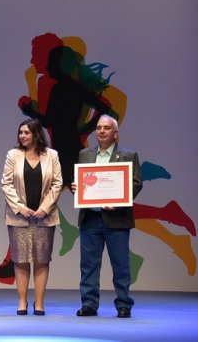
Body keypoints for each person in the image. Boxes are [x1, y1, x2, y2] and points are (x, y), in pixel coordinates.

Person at [73, 115, 142, 318]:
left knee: (121, 265)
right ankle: (89, 304)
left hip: (117, 218)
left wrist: (119, 201)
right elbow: (84, 181)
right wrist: (78, 186)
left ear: (115, 134)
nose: (102, 131)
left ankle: (124, 304)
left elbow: (136, 183)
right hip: (90, 218)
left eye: (107, 128)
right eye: (98, 128)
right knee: (88, 265)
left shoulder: (128, 155)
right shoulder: (85, 154)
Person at [1, 118, 63, 316]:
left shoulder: (52, 155)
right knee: (20, 260)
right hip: (19, 217)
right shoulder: (13, 155)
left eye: (26, 132)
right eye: (20, 132)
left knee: (42, 260)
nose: (22, 136)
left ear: (37, 134)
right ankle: (21, 301)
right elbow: (6, 184)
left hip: (44, 217)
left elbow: (57, 183)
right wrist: (20, 208)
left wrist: (45, 208)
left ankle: (39, 303)